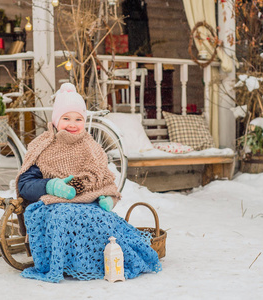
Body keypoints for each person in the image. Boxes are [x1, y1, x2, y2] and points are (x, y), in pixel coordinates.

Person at [16, 83, 161, 283]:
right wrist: (51, 185)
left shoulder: (92, 148)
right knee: (65, 216)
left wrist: (108, 198)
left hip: (86, 202)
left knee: (106, 221)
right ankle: (68, 262)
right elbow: (24, 185)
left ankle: (102, 260)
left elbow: (105, 180)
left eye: (78, 119)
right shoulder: (43, 146)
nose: (72, 124)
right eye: (66, 118)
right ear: (56, 120)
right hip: (51, 205)